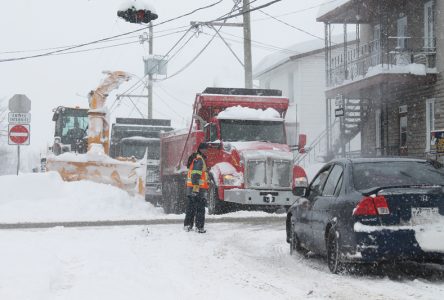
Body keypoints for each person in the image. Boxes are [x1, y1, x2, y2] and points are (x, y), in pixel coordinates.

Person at [184, 142, 209, 233]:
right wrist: (196, 188)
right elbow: (195, 174)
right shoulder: (199, 159)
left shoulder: (196, 158)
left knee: (191, 207)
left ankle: (188, 225)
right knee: (200, 208)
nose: (207, 151)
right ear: (202, 149)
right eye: (206, 149)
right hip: (198, 189)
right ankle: (199, 227)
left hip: (192, 188)